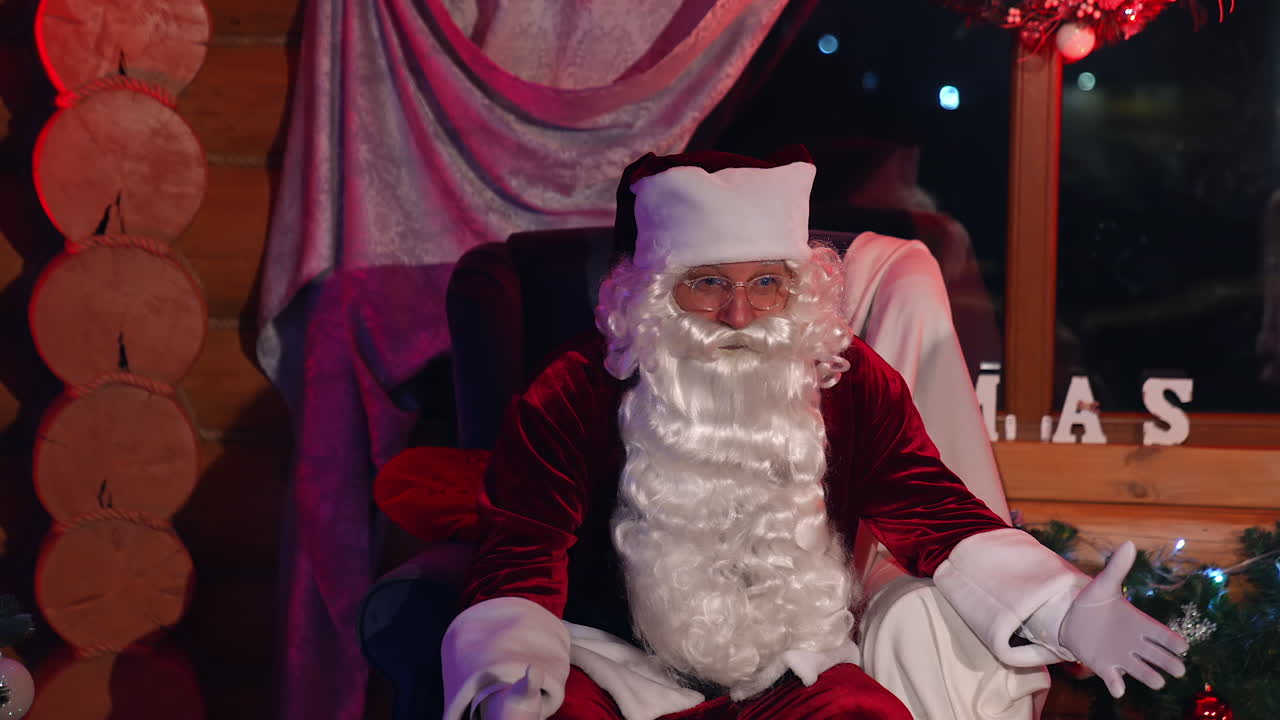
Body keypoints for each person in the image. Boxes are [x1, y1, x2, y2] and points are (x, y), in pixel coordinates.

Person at [441, 148, 1188, 720]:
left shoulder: (847, 381)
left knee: (860, 712)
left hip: (789, 673)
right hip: (618, 677)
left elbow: (934, 510)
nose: (740, 314)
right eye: (708, 282)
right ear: (655, 292)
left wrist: (1062, 606)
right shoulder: (576, 388)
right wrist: (509, 670)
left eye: (766, 282)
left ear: (798, 287)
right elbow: (518, 555)